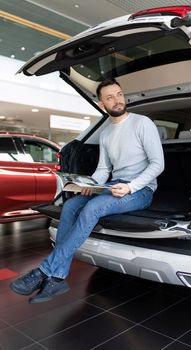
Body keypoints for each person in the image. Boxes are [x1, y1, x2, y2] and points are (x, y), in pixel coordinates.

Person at [10, 78, 164, 304]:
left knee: (94, 207)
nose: (117, 100)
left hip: (141, 190)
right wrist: (90, 185)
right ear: (102, 103)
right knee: (71, 205)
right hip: (114, 185)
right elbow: (104, 169)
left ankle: (44, 271)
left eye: (119, 94)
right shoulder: (106, 133)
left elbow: (157, 164)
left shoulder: (143, 123)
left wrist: (131, 186)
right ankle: (57, 278)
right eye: (110, 97)